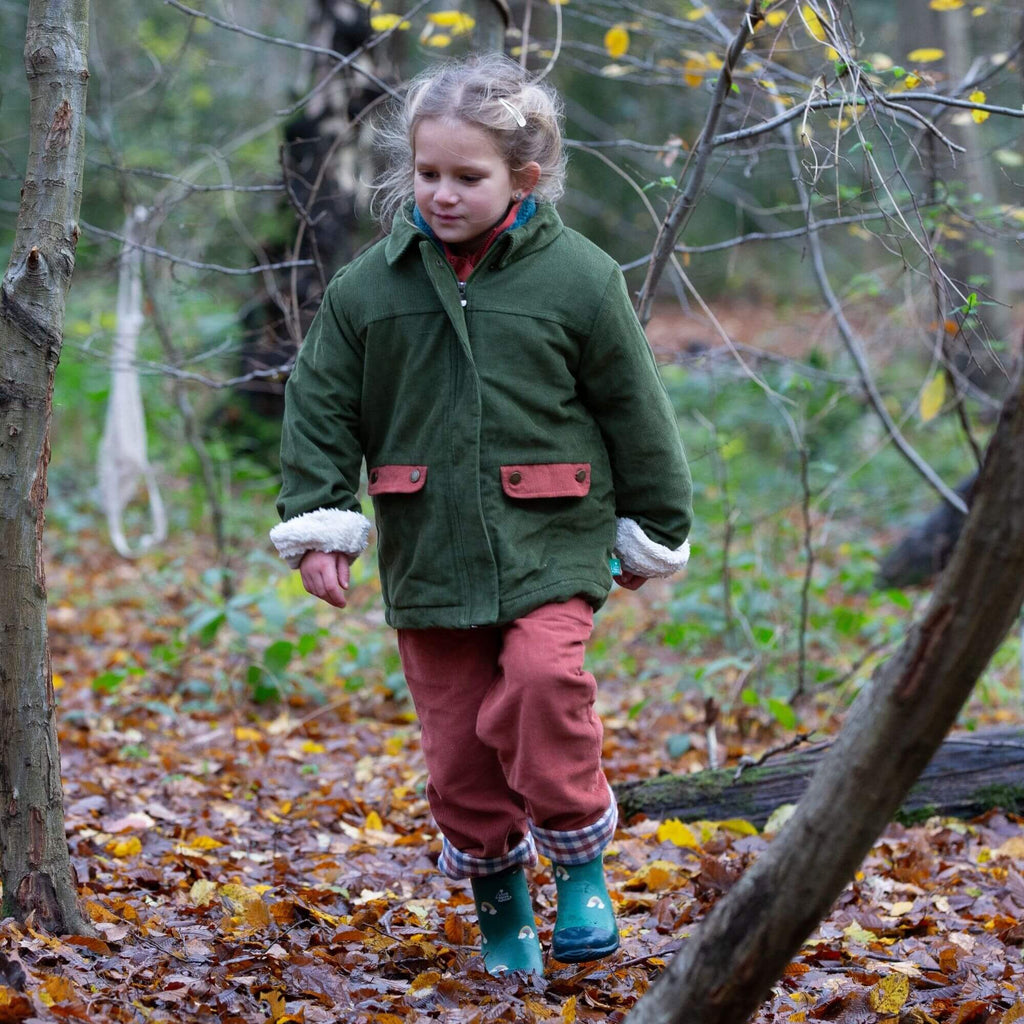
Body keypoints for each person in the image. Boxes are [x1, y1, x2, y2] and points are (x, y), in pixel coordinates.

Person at [270, 54, 692, 975]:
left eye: (469, 177)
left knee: (543, 684)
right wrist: (319, 518)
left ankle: (580, 861)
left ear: (523, 180)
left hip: (554, 534)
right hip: (429, 548)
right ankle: (502, 912)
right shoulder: (368, 291)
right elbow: (321, 408)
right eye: (428, 175)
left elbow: (634, 406)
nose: (444, 194)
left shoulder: (579, 278)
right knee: (459, 751)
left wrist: (652, 524)